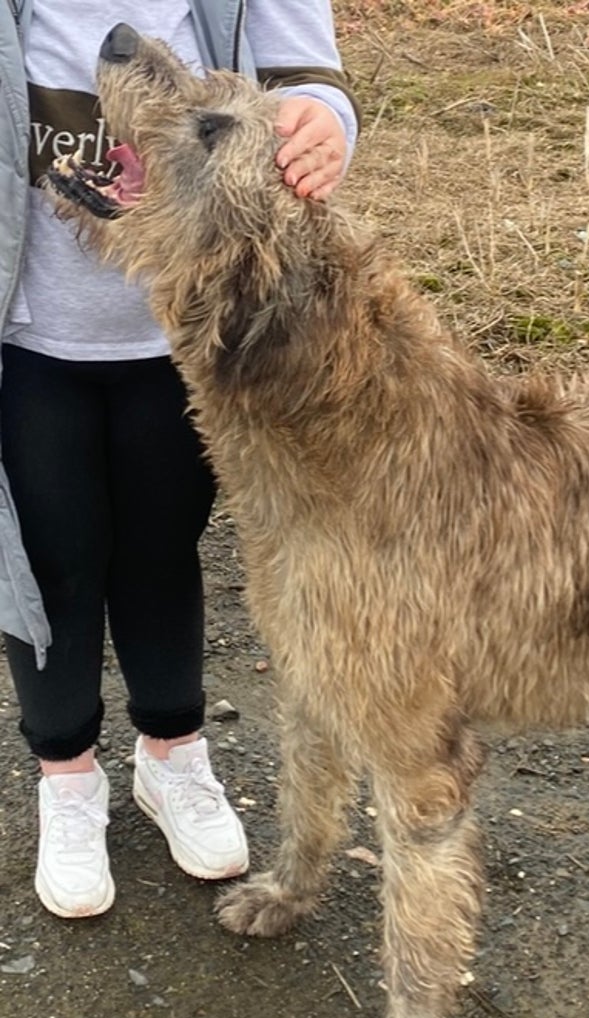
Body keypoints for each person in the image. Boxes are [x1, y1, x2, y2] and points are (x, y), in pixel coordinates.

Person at [0, 0, 359, 918]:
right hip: (28, 337)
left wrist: (327, 127)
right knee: (48, 563)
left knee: (164, 550)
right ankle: (69, 780)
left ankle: (174, 757)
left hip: (187, 340)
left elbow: (305, 82)